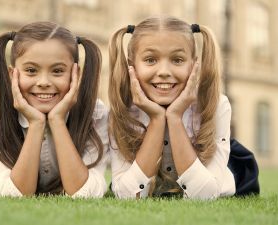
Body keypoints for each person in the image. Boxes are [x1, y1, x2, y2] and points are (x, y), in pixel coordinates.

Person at [0, 21, 109, 198]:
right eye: (31, 70)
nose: (43, 82)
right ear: (13, 74)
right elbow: (15, 194)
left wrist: (57, 121)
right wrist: (36, 123)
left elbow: (85, 193)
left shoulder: (95, 115)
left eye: (57, 71)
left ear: (76, 74)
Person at [108, 15, 259, 200]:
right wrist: (156, 119)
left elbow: (206, 195)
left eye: (177, 60)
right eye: (150, 60)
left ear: (194, 65)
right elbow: (127, 196)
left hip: (235, 174)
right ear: (132, 65)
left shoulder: (217, 105)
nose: (164, 72)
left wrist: (175, 117)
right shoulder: (122, 110)